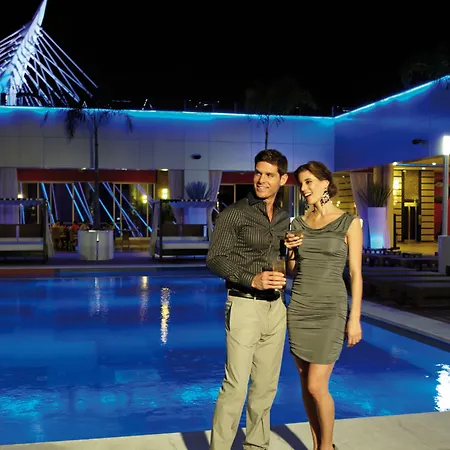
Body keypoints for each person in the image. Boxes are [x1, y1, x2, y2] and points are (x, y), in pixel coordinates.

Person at [206, 149, 290, 450]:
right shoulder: (235, 213)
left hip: (276, 307)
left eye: (269, 174)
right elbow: (215, 259)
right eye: (258, 172)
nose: (261, 179)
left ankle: (257, 446)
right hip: (243, 305)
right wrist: (252, 279)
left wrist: (294, 251)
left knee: (265, 388)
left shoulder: (284, 219)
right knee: (236, 386)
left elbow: (287, 263)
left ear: (282, 179)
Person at [284, 161, 363, 450]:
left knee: (317, 385)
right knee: (305, 382)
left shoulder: (349, 222)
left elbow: (355, 273)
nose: (304, 188)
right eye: (301, 184)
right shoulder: (298, 223)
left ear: (325, 183)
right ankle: (318, 444)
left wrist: (355, 318)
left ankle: (327, 447)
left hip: (330, 309)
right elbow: (292, 270)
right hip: (300, 306)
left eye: (309, 182)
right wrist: (290, 251)